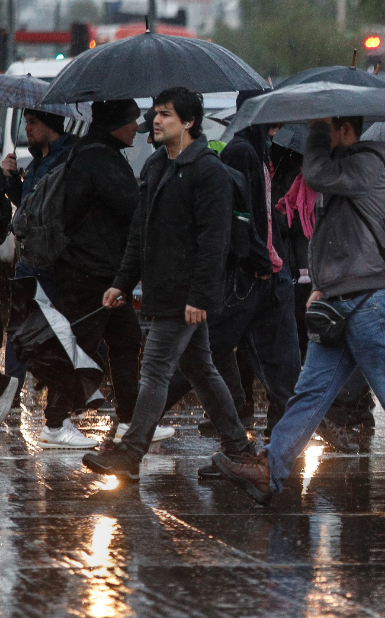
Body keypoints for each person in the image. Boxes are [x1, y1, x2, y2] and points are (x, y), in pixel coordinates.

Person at [214, 115, 385, 509]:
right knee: (309, 394)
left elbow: (316, 171)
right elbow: (340, 237)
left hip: (370, 300)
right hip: (342, 299)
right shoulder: (349, 169)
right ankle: (271, 468)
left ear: (344, 129)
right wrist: (323, 287)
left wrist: (318, 132)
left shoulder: (368, 164)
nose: (315, 136)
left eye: (323, 129)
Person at [81, 88, 254, 480]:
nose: (156, 121)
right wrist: (122, 283)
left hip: (184, 294)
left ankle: (130, 452)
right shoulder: (157, 166)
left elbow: (214, 241)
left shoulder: (208, 171)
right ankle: (239, 449)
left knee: (155, 370)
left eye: (166, 115)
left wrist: (200, 296)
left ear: (189, 122)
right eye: (155, 113)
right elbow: (139, 234)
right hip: (161, 289)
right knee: (202, 370)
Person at [166, 93, 303, 457]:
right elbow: (240, 219)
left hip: (269, 275)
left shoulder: (260, 150)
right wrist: (261, 260)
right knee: (203, 357)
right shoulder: (242, 151)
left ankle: (280, 446)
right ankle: (141, 420)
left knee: (283, 368)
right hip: (249, 279)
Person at [53, 99, 165, 446]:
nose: (136, 128)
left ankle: (132, 418)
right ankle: (54, 424)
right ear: (115, 123)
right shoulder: (98, 158)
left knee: (126, 340)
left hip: (103, 271)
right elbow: (133, 206)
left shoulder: (97, 153)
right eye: (132, 121)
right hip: (88, 272)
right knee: (80, 346)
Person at [2, 108, 85, 447]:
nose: (27, 129)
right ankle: (14, 392)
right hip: (31, 261)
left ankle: (56, 411)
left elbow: (50, 210)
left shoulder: (64, 160)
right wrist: (11, 182)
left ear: (51, 126)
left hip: (53, 264)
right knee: (23, 330)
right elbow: (27, 206)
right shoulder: (38, 161)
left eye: (33, 123)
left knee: (57, 335)